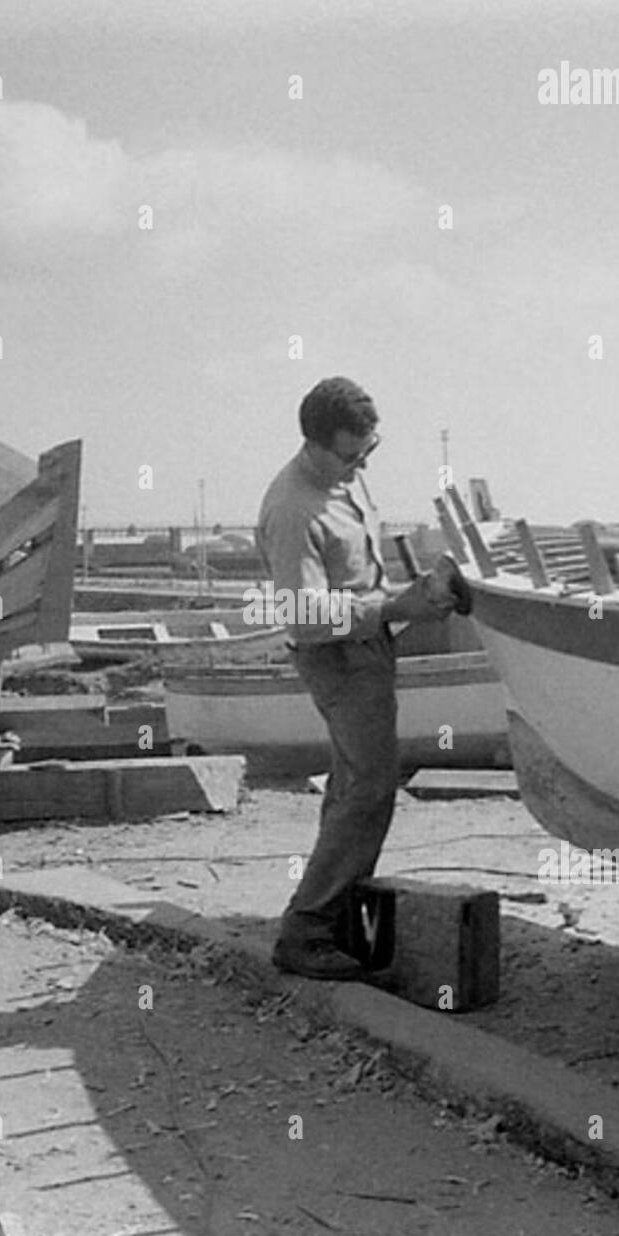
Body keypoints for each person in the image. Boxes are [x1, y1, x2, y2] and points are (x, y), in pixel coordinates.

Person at [256, 376, 460, 981]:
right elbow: (306, 616)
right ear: (313, 444)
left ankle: (337, 917)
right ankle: (307, 931)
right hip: (338, 657)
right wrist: (398, 608)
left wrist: (406, 597)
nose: (359, 465)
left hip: (368, 645)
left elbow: (360, 582)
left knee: (353, 783)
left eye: (369, 452)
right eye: (349, 456)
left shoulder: (344, 479)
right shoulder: (293, 509)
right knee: (370, 788)